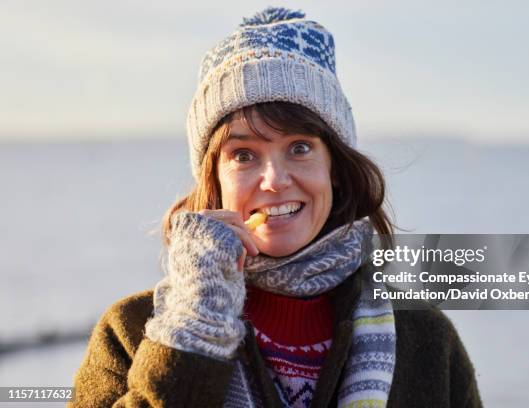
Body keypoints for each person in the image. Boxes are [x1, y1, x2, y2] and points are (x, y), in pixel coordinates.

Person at [69, 7, 482, 407]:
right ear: (214, 178)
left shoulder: (426, 340)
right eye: (244, 155)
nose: (275, 180)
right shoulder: (130, 330)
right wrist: (195, 328)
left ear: (334, 168)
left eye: (299, 148)